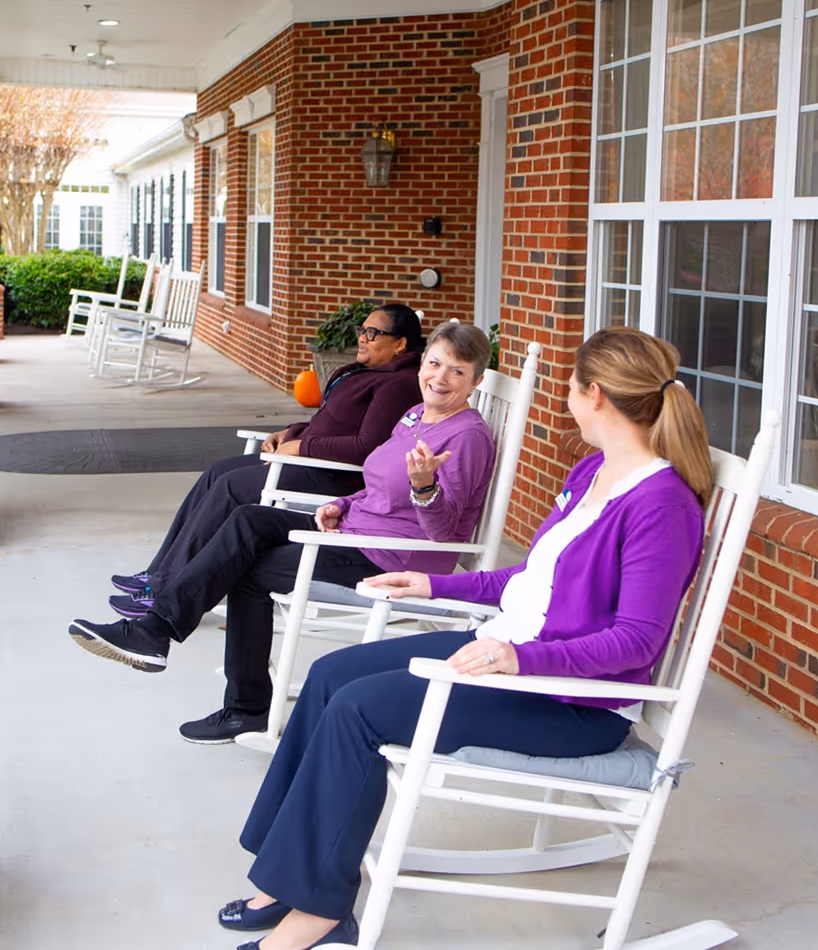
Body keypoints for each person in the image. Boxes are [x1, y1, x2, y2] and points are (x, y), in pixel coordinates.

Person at [214, 327, 713, 950]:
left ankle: (321, 911)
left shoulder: (660, 505)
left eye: (572, 388)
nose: (567, 399)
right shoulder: (593, 473)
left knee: (358, 711)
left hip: (567, 700)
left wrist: (518, 656)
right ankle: (289, 874)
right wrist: (435, 585)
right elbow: (531, 580)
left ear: (596, 396)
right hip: (511, 660)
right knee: (331, 675)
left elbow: (637, 641)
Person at [68, 322, 497, 745]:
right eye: (435, 363)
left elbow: (444, 533)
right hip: (358, 530)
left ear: (475, 381)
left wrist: (424, 486)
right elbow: (377, 484)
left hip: (393, 557)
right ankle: (158, 632)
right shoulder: (415, 416)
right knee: (249, 519)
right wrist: (342, 504)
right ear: (422, 362)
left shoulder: (467, 438)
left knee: (248, 572)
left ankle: (241, 704)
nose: (441, 378)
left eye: (457, 371)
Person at [109, 304, 426, 613]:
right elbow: (332, 422)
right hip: (311, 462)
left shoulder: (397, 384)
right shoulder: (374, 372)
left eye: (373, 333)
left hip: (334, 477)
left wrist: (300, 447)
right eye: (362, 330)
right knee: (218, 471)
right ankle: (159, 573)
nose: (362, 338)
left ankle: (164, 588)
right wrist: (290, 432)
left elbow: (365, 446)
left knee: (232, 486)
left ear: (400, 343)